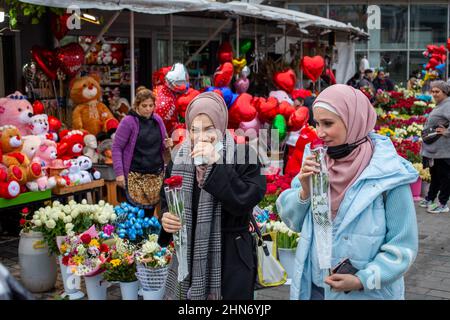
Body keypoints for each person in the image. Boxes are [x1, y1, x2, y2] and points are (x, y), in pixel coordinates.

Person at [276, 84, 419, 300]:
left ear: (354, 120)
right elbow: (292, 222)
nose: (320, 133)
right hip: (315, 288)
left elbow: (403, 246)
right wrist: (304, 192)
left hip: (366, 294)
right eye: (316, 124)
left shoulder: (389, 174)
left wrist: (362, 279)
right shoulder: (318, 162)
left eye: (328, 124)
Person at [158, 92, 266, 300]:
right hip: (188, 253)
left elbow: (246, 200)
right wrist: (166, 219)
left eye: (209, 128)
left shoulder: (245, 155)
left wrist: (216, 165)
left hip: (231, 257)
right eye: (194, 129)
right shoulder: (179, 159)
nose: (201, 136)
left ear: (221, 125)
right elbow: (167, 201)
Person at [112, 86, 172, 215]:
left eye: (151, 105)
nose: (148, 109)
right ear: (136, 105)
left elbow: (162, 143)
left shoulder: (158, 120)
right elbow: (117, 147)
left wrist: (167, 144)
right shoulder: (128, 122)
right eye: (144, 106)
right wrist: (119, 173)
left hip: (155, 175)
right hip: (135, 175)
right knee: (135, 214)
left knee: (150, 215)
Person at [419, 80, 450, 214]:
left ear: (445, 92)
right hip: (436, 150)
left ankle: (443, 203)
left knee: (446, 177)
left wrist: (447, 132)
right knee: (435, 176)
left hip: (444, 151)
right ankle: (430, 198)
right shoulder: (441, 104)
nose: (434, 94)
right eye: (433, 91)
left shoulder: (448, 105)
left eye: (437, 91)